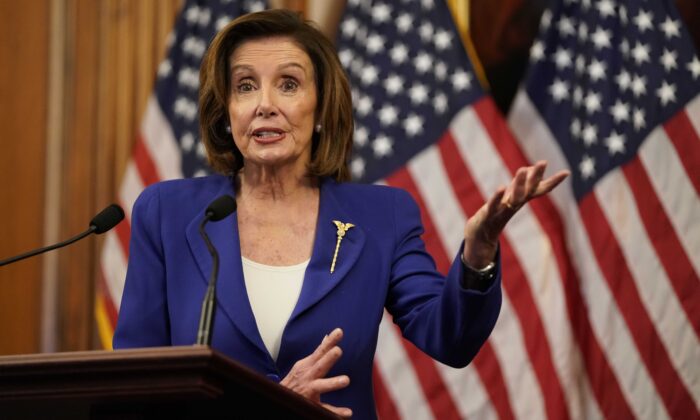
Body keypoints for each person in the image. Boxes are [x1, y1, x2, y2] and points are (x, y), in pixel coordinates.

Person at [113, 9, 568, 419]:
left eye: (288, 84)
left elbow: (449, 338)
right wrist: (273, 398)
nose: (264, 103)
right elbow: (138, 388)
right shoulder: (169, 214)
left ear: (320, 110)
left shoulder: (380, 216)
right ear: (226, 110)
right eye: (245, 85)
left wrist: (479, 253)